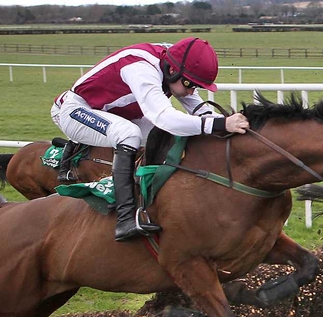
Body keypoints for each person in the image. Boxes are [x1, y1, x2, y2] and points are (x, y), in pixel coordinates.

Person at [50, 37, 250, 242]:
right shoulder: (141, 69)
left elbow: (199, 112)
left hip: (118, 113)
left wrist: (229, 125)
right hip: (75, 110)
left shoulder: (174, 65)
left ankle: (157, 201)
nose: (192, 91)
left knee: (173, 136)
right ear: (173, 71)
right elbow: (165, 118)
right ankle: (125, 218)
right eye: (190, 84)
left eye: (196, 86)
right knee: (129, 134)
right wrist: (221, 125)